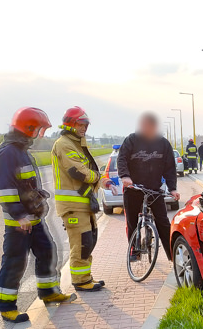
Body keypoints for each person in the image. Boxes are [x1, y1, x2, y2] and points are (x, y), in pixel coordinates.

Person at [0, 107, 75, 322]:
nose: (41, 133)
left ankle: (48, 292)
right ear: (28, 127)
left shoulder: (21, 151)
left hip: (33, 219)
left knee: (47, 250)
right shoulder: (9, 153)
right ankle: (7, 307)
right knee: (15, 261)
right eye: (38, 128)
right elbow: (5, 188)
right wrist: (19, 215)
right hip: (19, 222)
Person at [52, 106, 111, 292]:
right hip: (73, 206)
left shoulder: (76, 143)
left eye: (85, 125)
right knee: (81, 243)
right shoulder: (64, 144)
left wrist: (102, 181)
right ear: (70, 124)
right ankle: (80, 281)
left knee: (88, 241)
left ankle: (85, 277)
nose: (84, 128)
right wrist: (97, 178)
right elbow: (77, 171)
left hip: (84, 204)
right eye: (80, 124)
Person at [117, 112, 180, 261]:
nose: (147, 129)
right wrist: (125, 176)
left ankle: (172, 256)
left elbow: (170, 168)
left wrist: (173, 188)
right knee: (132, 221)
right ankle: (134, 250)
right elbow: (122, 159)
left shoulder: (163, 144)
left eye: (150, 126)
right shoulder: (131, 140)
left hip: (154, 190)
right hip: (134, 189)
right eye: (144, 126)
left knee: (163, 222)